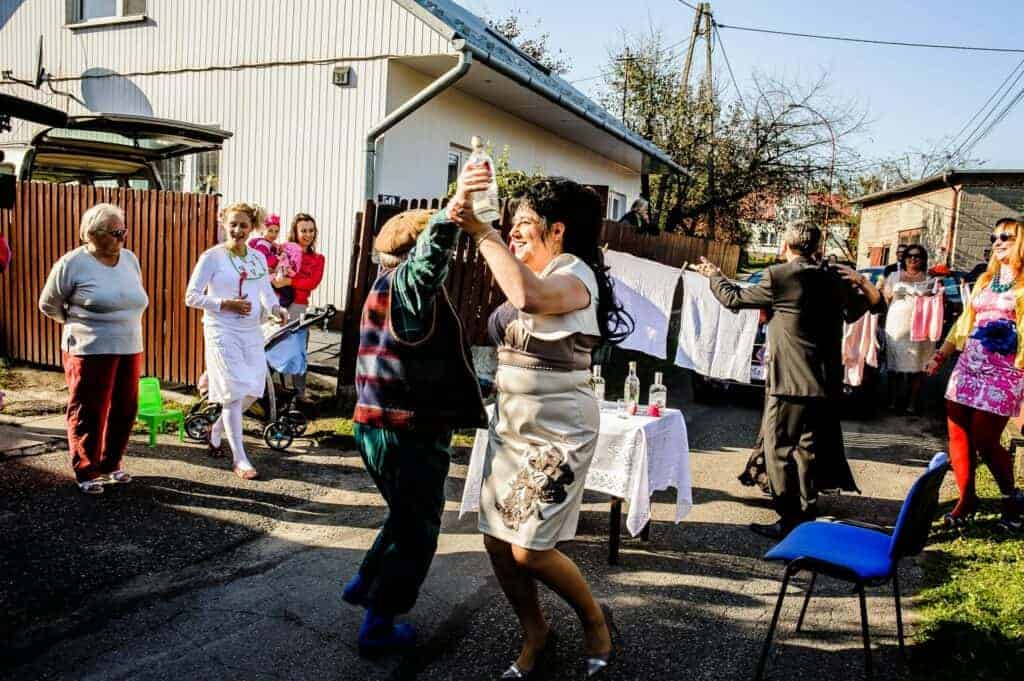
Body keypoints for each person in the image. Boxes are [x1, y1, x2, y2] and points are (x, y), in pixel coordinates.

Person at [451, 169, 632, 680]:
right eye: (509, 223)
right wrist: (465, 200)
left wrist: (482, 232)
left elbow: (530, 299)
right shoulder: (530, 270)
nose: (511, 231)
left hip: (557, 433)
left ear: (559, 231)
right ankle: (537, 634)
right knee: (494, 538)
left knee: (530, 548)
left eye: (525, 223)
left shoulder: (576, 276)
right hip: (509, 428)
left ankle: (596, 622)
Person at [344, 209, 487, 655]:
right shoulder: (408, 286)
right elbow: (428, 261)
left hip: (376, 423)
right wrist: (453, 212)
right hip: (405, 430)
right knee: (418, 530)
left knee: (404, 514)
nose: (446, 265)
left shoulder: (385, 289)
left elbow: (419, 361)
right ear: (409, 255)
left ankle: (364, 581)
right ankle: (379, 626)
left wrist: (476, 387)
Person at [696, 221, 885, 539]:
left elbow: (734, 300)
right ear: (817, 247)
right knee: (807, 449)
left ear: (786, 246)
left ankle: (788, 519)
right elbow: (864, 308)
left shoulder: (779, 276)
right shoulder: (833, 278)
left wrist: (714, 275)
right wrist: (861, 281)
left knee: (779, 448)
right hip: (824, 383)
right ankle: (807, 512)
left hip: (790, 382)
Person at [38, 203, 149, 494]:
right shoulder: (72, 263)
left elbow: (133, 298)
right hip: (89, 347)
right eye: (116, 232)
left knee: (125, 407)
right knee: (89, 409)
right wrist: (77, 323)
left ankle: (112, 463)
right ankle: (87, 470)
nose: (122, 237)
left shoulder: (129, 259)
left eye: (123, 231)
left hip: (129, 345)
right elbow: (48, 304)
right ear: (93, 233)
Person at [925, 217, 1024, 531]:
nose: (997, 242)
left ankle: (1012, 498)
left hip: (1005, 370)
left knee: (984, 437)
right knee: (956, 431)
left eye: (1005, 237)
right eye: (994, 237)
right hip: (969, 365)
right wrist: (942, 354)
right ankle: (966, 498)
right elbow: (963, 323)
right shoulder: (984, 280)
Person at [185, 202, 287, 480]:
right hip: (221, 330)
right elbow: (191, 296)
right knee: (232, 392)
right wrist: (224, 303)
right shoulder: (212, 257)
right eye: (233, 224)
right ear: (224, 224)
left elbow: (266, 292)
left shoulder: (256, 258)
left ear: (252, 227)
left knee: (254, 387)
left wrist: (278, 310)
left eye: (243, 225)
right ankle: (239, 457)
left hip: (250, 331)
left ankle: (217, 428)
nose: (237, 230)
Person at [273, 213, 325, 403]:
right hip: (277, 303)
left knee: (298, 348)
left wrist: (288, 281)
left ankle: (300, 392)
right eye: (303, 230)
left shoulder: (318, 259)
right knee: (272, 344)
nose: (307, 234)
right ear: (295, 231)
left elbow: (311, 282)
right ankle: (265, 389)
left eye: (311, 230)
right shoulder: (284, 251)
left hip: (298, 306)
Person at [882, 244, 936, 413]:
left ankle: (911, 403)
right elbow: (887, 298)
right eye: (909, 256)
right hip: (897, 324)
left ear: (923, 260)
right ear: (904, 258)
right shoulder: (894, 276)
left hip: (920, 326)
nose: (913, 259)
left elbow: (936, 302)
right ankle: (892, 400)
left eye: (917, 256)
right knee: (894, 365)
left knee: (916, 366)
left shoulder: (929, 279)